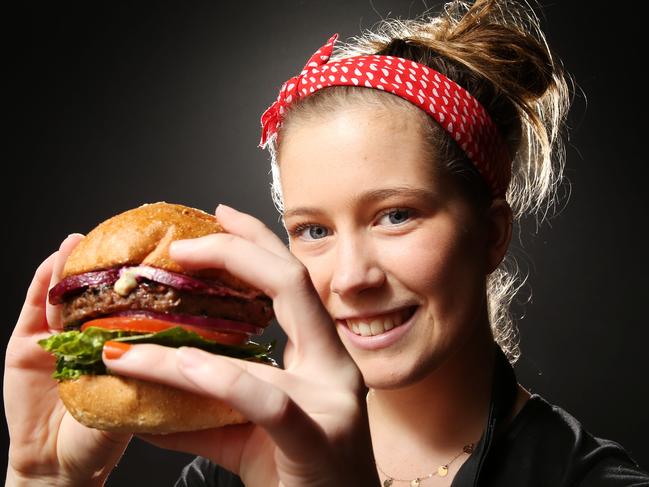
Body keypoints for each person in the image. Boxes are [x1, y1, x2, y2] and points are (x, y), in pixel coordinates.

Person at [4, 0, 649, 486]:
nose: (349, 277)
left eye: (396, 216)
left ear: (490, 235)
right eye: (313, 230)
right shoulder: (238, 464)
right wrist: (44, 481)